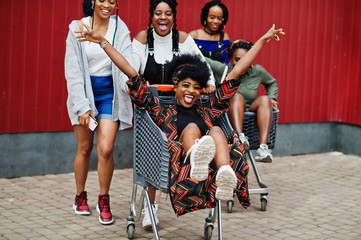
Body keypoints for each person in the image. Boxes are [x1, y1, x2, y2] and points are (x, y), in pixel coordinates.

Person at [76, 16, 284, 225]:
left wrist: (262, 41)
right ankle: (196, 157)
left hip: (209, 168)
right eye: (185, 85)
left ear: (201, 90)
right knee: (193, 127)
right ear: (175, 86)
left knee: (218, 132)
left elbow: (236, 72)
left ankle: (223, 174)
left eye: (195, 87)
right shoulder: (162, 111)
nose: (190, 91)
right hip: (179, 166)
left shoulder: (208, 108)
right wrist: (103, 43)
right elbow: (130, 71)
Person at [64, 0, 135, 225]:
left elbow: (126, 64)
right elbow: (73, 72)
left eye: (112, 1)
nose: (107, 5)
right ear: (93, 1)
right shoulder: (77, 27)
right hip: (84, 92)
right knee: (84, 148)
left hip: (109, 95)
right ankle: (80, 196)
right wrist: (83, 106)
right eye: (103, 0)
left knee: (106, 149)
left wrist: (130, 87)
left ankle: (104, 199)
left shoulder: (120, 28)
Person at [206, 39, 279, 162]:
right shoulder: (223, 70)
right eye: (237, 59)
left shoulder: (257, 71)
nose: (242, 63)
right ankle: (239, 139)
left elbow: (272, 83)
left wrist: (272, 97)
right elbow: (202, 60)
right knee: (236, 96)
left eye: (246, 59)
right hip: (229, 116)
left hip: (250, 113)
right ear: (230, 60)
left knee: (265, 99)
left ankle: (263, 148)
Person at [132, 0, 216, 95]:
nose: (163, 17)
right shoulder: (143, 38)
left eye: (168, 14)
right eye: (158, 13)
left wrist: (209, 83)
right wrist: (139, 82)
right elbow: (132, 69)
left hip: (178, 103)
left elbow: (202, 64)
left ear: (173, 17)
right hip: (148, 102)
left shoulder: (183, 39)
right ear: (151, 17)